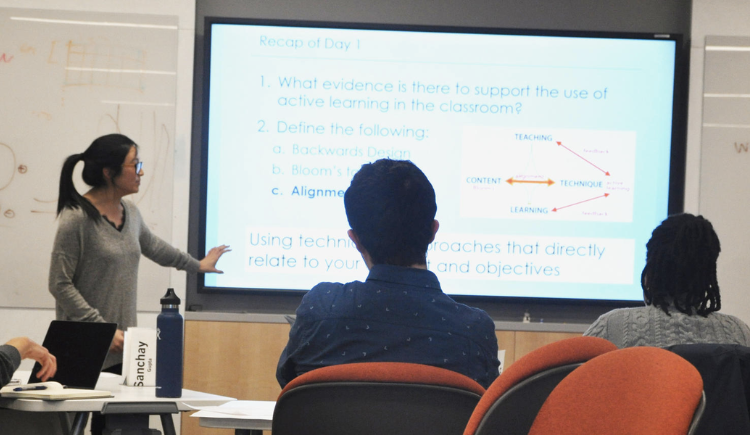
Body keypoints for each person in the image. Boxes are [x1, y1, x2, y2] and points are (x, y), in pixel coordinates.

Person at [276, 159, 500, 388]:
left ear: (355, 240)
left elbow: (289, 384)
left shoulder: (321, 310)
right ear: (433, 231)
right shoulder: (473, 331)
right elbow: (488, 412)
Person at [49, 134, 230, 371]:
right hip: (83, 346)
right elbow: (59, 284)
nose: (141, 172)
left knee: (133, 409)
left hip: (122, 348)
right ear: (108, 172)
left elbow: (154, 246)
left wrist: (197, 265)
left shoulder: (130, 212)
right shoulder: (76, 219)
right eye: (135, 165)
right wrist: (102, 329)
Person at [584, 213, 750, 348]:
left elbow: (566, 382)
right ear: (708, 273)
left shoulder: (613, 327)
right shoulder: (738, 333)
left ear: (651, 268)